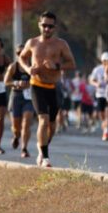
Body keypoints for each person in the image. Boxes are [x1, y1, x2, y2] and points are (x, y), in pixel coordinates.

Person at [19, 11, 76, 167]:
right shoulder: (32, 43)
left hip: (54, 87)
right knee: (43, 120)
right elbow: (22, 57)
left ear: (54, 27)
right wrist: (28, 69)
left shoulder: (61, 44)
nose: (47, 29)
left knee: (51, 125)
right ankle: (45, 157)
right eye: (44, 25)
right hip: (37, 85)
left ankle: (42, 145)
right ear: (40, 25)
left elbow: (72, 64)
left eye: (50, 26)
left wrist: (56, 66)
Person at [5, 43, 35, 158]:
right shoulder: (13, 67)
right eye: (18, 53)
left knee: (27, 123)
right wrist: (16, 83)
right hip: (16, 96)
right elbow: (6, 81)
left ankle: (24, 148)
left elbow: (40, 79)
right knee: (16, 128)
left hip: (29, 97)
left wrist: (31, 84)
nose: (21, 55)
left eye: (23, 52)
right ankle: (16, 136)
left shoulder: (32, 67)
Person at [89, 53, 108, 140]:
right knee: (102, 113)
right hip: (100, 94)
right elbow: (91, 80)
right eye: (105, 60)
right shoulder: (97, 69)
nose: (106, 62)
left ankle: (106, 131)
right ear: (102, 61)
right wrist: (96, 84)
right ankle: (104, 123)